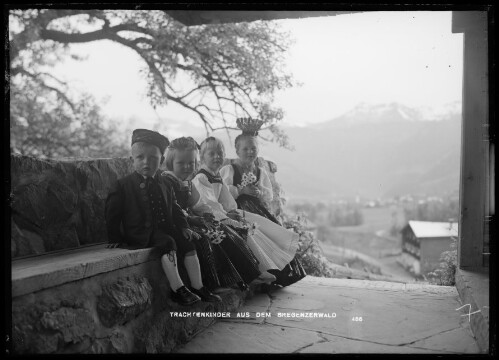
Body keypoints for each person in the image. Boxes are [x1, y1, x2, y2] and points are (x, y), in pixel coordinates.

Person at [105, 129, 220, 306]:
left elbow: (174, 208)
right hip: (141, 232)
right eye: (140, 158)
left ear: (161, 161)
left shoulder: (165, 183)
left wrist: (183, 227)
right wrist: (114, 236)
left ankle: (198, 286)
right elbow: (113, 212)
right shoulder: (124, 185)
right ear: (131, 160)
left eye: (153, 158)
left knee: (187, 242)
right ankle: (178, 289)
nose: (146, 162)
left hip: (165, 227)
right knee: (168, 243)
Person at [193, 136, 300, 285]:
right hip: (210, 217)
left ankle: (269, 268)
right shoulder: (202, 178)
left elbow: (226, 200)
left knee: (255, 224)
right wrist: (227, 214)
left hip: (224, 212)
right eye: (211, 153)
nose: (217, 157)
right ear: (202, 156)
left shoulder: (216, 175)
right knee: (245, 229)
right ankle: (256, 270)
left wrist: (231, 210)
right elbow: (207, 204)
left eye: (220, 153)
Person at [221, 118, 307, 287]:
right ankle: (261, 272)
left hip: (258, 209)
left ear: (258, 150)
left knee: (273, 233)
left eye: (253, 148)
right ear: (237, 150)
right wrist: (241, 191)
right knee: (255, 234)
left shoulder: (259, 171)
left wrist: (259, 192)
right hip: (239, 208)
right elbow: (223, 191)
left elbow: (268, 194)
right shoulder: (230, 170)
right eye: (245, 148)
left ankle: (279, 274)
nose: (249, 152)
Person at [162, 136, 251, 291]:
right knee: (205, 240)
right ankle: (212, 283)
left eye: (191, 163)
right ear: (171, 164)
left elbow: (199, 204)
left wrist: (209, 216)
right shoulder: (168, 182)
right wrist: (196, 219)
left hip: (189, 220)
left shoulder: (188, 183)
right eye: (181, 163)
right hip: (176, 224)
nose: (187, 167)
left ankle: (238, 275)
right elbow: (174, 210)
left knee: (220, 230)